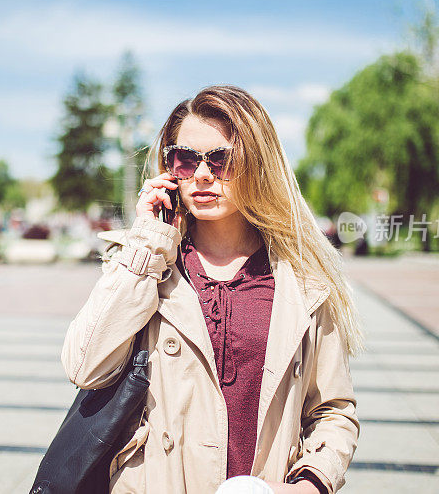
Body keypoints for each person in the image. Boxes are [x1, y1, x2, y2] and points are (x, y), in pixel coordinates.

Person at [61, 85, 363, 494]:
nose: (202, 174)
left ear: (257, 164)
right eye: (184, 159)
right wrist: (149, 240)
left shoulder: (304, 282)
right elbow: (84, 367)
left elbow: (333, 410)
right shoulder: (147, 264)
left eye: (222, 159)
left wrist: (308, 485)